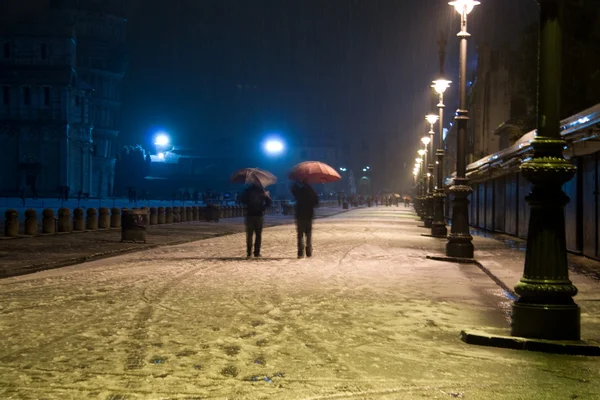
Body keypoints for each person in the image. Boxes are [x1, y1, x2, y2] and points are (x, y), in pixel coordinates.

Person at [240, 183, 272, 258]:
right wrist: (263, 206)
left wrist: (248, 203)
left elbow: (242, 200)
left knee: (249, 235)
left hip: (250, 214)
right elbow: (269, 203)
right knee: (258, 235)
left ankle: (249, 252)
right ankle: (257, 252)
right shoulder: (262, 191)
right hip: (259, 215)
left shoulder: (247, 191)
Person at [291, 180, 319, 258]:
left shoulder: (299, 191)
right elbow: (316, 202)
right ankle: (308, 252)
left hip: (300, 215)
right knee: (308, 234)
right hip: (309, 215)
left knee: (300, 235)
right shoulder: (311, 191)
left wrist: (295, 183)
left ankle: (300, 253)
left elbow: (293, 191)